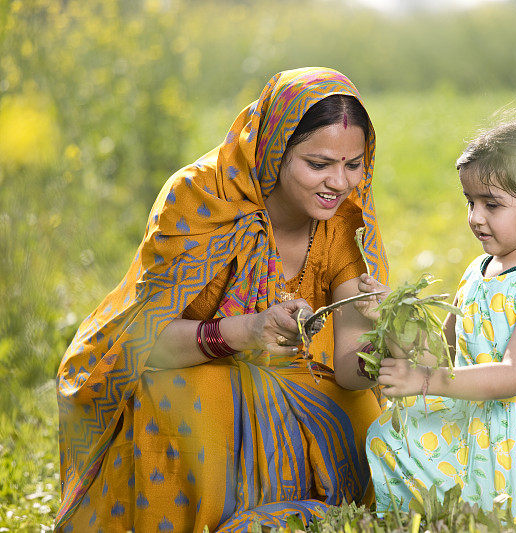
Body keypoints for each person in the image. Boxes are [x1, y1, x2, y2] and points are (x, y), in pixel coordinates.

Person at [56, 67, 390, 532]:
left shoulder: (344, 223)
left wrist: (385, 340)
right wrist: (244, 332)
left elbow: (352, 371)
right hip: (185, 365)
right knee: (180, 404)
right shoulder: (200, 199)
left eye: (353, 165)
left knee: (365, 420)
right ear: (275, 151)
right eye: (319, 165)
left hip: (299, 373)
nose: (340, 182)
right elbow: (140, 346)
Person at [365, 119, 516, 516]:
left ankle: (484, 504)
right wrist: (392, 319)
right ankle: (455, 504)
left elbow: (511, 377)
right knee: (388, 434)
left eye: (491, 204)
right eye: (470, 201)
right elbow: (443, 358)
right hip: (474, 420)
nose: (475, 217)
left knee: (510, 508)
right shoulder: (477, 271)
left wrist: (423, 381)